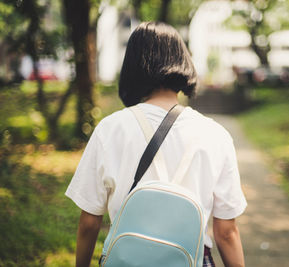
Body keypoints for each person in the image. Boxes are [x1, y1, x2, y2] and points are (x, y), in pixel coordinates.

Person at [65, 21, 247, 267]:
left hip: (127, 260)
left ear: (132, 67)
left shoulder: (110, 129)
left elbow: (89, 222)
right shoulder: (216, 135)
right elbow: (226, 232)